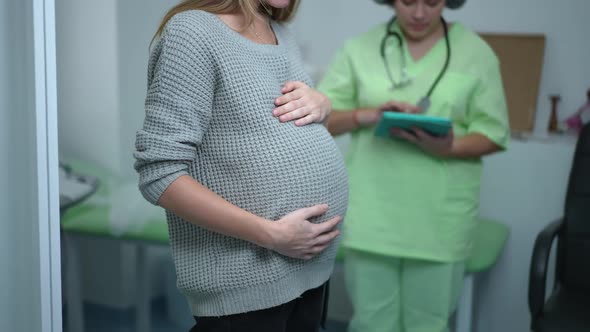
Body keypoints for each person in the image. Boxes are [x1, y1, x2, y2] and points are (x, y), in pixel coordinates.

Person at [133, 1, 349, 331]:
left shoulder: (280, 32)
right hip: (245, 285)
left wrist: (324, 105)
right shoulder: (193, 32)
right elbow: (159, 174)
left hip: (311, 271)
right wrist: (273, 235)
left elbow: (283, 125)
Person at [317, 0, 509, 331]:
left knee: (429, 324)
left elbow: (494, 133)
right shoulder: (358, 49)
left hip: (439, 220)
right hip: (373, 217)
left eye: (432, 2)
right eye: (407, 1)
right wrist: (369, 115)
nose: (419, 13)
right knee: (371, 323)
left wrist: (448, 147)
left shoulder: (477, 54)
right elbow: (322, 119)